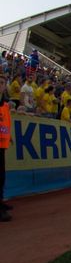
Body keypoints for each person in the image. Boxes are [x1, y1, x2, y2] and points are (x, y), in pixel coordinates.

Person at [0, 76, 13, 221]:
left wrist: (9, 135)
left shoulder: (4, 105)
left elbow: (6, 122)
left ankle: (1, 201)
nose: (0, 85)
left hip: (2, 144)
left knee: (1, 176)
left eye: (2, 83)